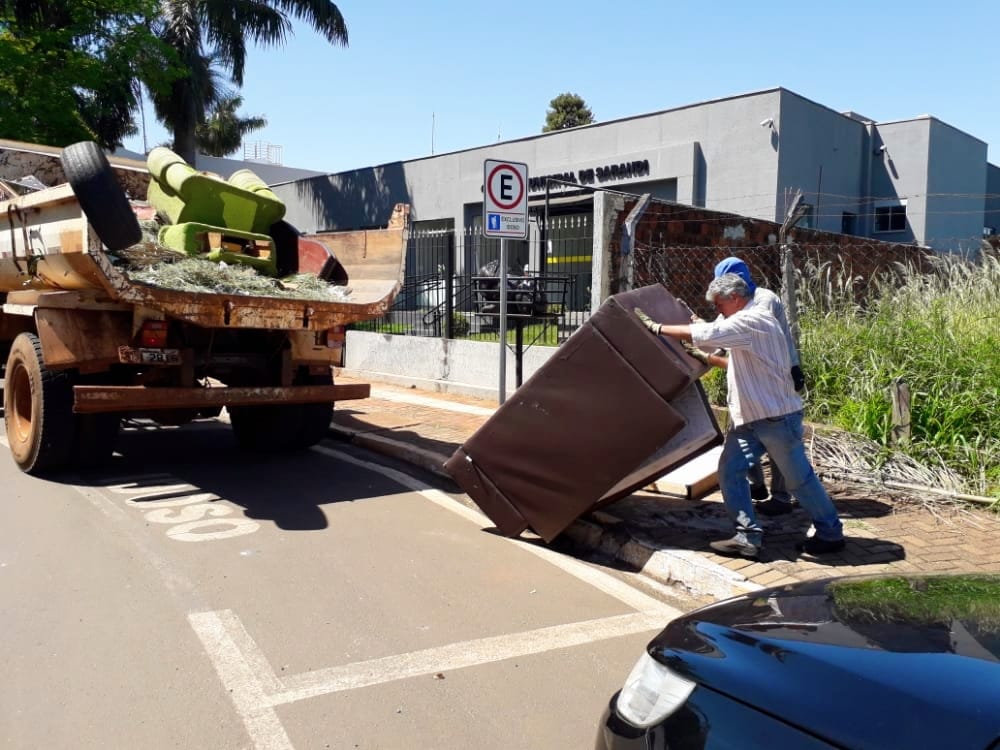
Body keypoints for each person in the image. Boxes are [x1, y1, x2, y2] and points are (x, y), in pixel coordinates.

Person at [634, 273, 845, 558]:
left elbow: (709, 336)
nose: (718, 310)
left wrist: (658, 328)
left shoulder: (754, 320)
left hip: (776, 418)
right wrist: (694, 325)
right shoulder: (742, 320)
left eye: (720, 304)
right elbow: (713, 338)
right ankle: (747, 537)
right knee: (730, 472)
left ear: (734, 298)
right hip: (752, 420)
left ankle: (830, 534)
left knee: (799, 481)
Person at [710, 257, 802, 517]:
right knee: (739, 431)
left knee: (776, 440)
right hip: (747, 381)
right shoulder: (734, 300)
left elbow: (745, 332)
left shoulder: (764, 300)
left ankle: (782, 497)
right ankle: (757, 486)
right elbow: (721, 330)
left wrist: (706, 346)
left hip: (771, 380)